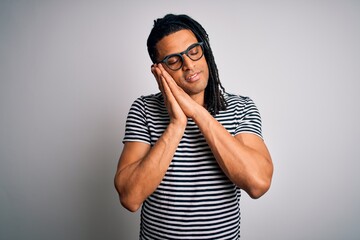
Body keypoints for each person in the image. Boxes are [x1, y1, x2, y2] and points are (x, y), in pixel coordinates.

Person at [114, 13, 273, 239]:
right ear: (159, 70)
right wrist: (177, 124)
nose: (189, 65)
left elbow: (258, 184)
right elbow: (130, 198)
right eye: (173, 60)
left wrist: (197, 113)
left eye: (193, 51)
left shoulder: (241, 108)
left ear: (205, 50)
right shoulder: (144, 110)